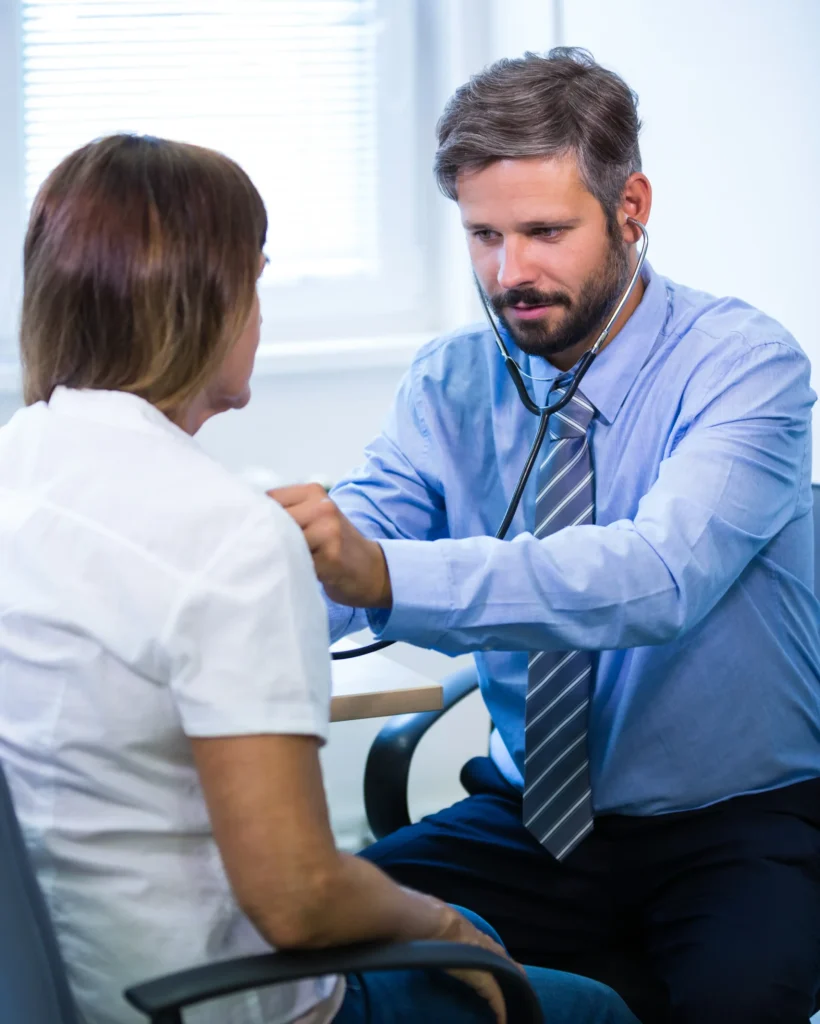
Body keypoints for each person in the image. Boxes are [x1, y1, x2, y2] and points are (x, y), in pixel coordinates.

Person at [0, 133, 637, 1024]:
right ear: (212, 298)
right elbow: (298, 897)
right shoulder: (227, 537)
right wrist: (454, 933)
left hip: (55, 986)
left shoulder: (20, 473)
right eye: (255, 282)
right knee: (592, 1009)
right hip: (219, 1003)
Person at [270, 48, 820, 1024]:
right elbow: (357, 542)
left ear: (630, 206)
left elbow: (655, 579)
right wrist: (247, 575)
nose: (508, 272)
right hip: (536, 821)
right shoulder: (449, 382)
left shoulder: (747, 368)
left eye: (543, 232)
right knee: (297, 957)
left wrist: (384, 571)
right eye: (483, 235)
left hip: (735, 826)